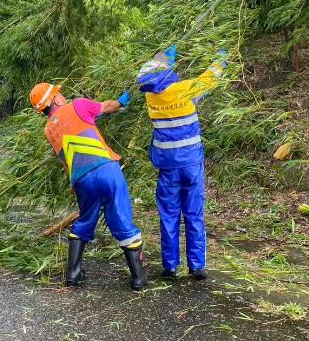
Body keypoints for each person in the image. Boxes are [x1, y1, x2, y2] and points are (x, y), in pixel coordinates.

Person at [29, 82, 147, 291]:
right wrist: (123, 99)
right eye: (59, 93)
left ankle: (73, 274)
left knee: (84, 221)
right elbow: (109, 107)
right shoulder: (78, 105)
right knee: (121, 218)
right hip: (107, 170)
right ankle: (138, 278)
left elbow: (65, 161)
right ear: (55, 99)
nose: (62, 96)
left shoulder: (49, 129)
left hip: (81, 179)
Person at [136, 45, 226, 280]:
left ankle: (170, 266)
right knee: (194, 213)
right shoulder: (185, 90)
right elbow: (210, 78)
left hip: (167, 167)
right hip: (191, 165)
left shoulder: (151, 97)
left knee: (169, 214)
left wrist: (165, 57)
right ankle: (197, 267)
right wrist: (221, 59)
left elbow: (156, 73)